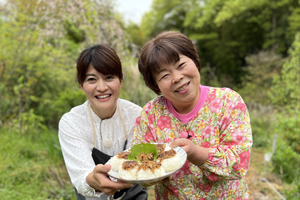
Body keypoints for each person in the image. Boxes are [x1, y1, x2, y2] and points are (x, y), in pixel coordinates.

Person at [133, 31, 252, 199]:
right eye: (165, 75)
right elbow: (141, 171)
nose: (177, 77)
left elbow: (239, 163)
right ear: (156, 85)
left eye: (181, 65)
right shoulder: (150, 114)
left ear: (195, 61)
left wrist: (196, 153)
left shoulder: (228, 102)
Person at [58, 44, 148, 200]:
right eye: (92, 79)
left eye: (109, 77)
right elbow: (81, 176)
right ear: (81, 85)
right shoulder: (71, 122)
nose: (101, 87)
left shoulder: (137, 115)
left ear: (120, 80)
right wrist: (94, 180)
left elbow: (138, 164)